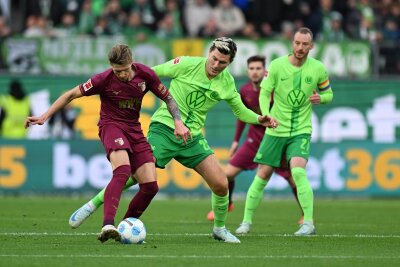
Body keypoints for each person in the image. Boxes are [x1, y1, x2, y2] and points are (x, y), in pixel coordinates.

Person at [68, 37, 277, 244]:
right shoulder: (186, 64)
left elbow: (240, 110)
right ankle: (92, 205)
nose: (215, 65)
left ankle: (219, 229)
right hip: (164, 129)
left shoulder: (227, 83)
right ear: (209, 53)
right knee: (134, 176)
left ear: (229, 63)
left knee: (222, 184)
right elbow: (150, 74)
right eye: (213, 58)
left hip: (192, 138)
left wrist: (258, 118)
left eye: (222, 62)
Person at [25, 44, 191, 243]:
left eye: (124, 70)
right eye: (116, 70)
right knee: (122, 171)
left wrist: (179, 122)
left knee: (150, 187)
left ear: (132, 63)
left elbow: (169, 98)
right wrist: (45, 117)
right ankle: (107, 225)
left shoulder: (146, 75)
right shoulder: (103, 79)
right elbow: (70, 95)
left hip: (134, 130)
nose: (120, 74)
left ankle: (124, 228)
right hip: (111, 126)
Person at [235, 27, 333, 236]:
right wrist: (267, 114)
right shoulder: (277, 66)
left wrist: (321, 98)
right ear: (292, 43)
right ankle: (246, 222)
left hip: (301, 130)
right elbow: (264, 93)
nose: (300, 47)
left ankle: (308, 223)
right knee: (262, 175)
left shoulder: (318, 68)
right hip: (276, 130)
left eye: (304, 44)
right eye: (297, 43)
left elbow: (329, 93)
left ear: (311, 46)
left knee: (298, 171)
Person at [206, 55, 304, 223]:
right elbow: (241, 116)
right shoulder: (244, 90)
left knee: (292, 178)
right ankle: (228, 204)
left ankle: (305, 214)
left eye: (258, 68)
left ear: (264, 71)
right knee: (227, 175)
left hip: (275, 138)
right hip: (253, 139)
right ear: (247, 71)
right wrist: (236, 141)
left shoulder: (274, 88)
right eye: (252, 69)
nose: (255, 72)